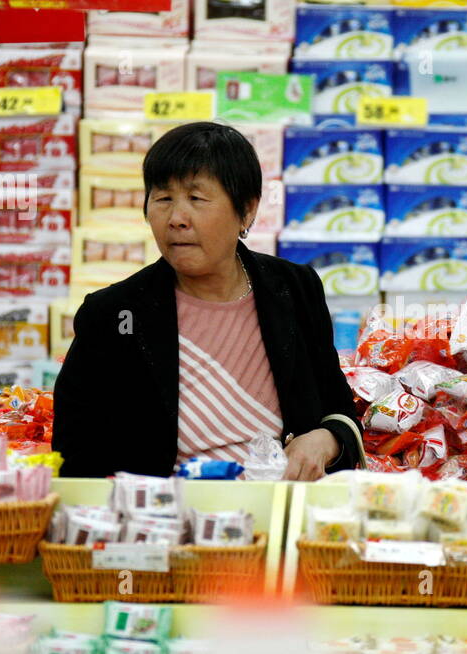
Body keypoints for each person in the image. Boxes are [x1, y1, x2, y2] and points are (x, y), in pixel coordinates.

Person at [52, 121, 363, 479]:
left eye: (196, 199)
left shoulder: (294, 289)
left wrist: (324, 440)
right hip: (169, 524)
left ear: (247, 210)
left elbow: (339, 411)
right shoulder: (113, 314)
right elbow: (75, 456)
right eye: (163, 198)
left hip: (280, 512)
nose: (176, 219)